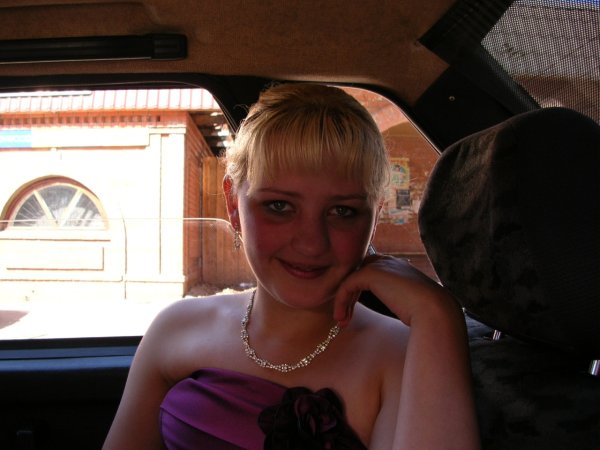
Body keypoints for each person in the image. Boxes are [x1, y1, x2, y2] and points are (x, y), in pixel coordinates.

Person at [103, 83, 480, 449]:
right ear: (233, 205)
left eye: (342, 211)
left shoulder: (404, 356)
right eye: (279, 206)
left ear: (374, 216)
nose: (312, 243)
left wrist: (436, 313)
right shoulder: (175, 328)